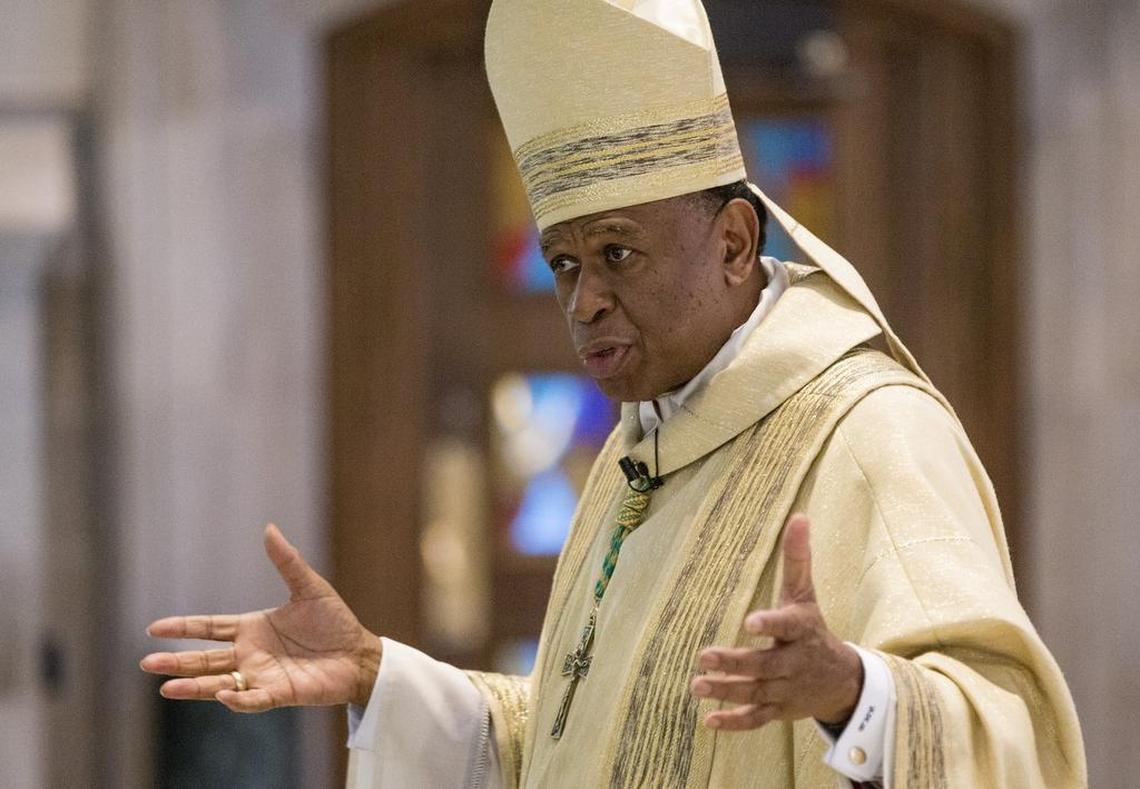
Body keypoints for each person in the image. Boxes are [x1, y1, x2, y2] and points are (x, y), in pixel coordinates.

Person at [141, 0, 1087, 786]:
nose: (585, 299)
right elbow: (588, 743)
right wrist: (376, 674)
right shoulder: (643, 451)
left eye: (617, 254)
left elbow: (1009, 739)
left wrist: (853, 694)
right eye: (562, 263)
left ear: (731, 245)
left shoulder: (872, 435)